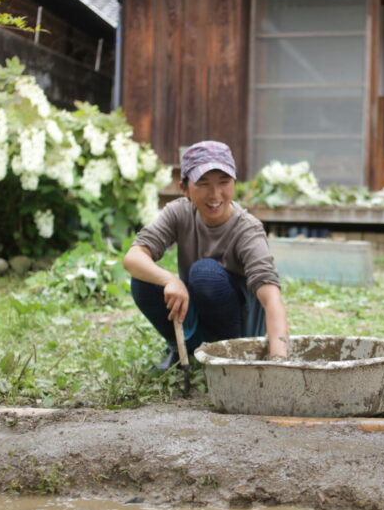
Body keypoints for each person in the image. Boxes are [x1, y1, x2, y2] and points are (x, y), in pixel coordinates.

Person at [123, 140, 289, 369]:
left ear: (234, 183)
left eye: (224, 182)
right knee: (144, 279)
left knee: (205, 274)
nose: (215, 195)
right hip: (199, 315)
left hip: (237, 332)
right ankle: (185, 349)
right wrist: (170, 280)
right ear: (184, 188)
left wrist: (278, 360)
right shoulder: (179, 212)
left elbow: (271, 298)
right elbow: (133, 257)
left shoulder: (247, 229)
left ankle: (226, 357)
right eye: (203, 184)